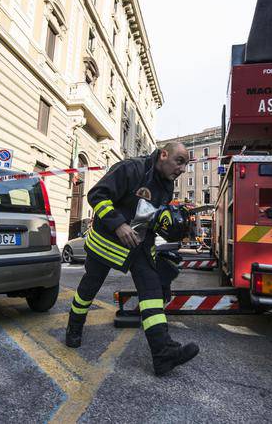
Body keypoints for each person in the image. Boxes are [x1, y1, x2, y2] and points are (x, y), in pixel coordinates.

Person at [64, 143, 199, 376]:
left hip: (139, 245)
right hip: (107, 242)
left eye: (186, 164)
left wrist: (167, 223)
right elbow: (97, 195)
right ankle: (73, 327)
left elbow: (151, 216)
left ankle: (162, 354)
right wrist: (118, 224)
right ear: (163, 154)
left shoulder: (166, 186)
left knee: (152, 294)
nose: (182, 169)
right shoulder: (131, 169)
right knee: (89, 288)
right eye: (179, 161)